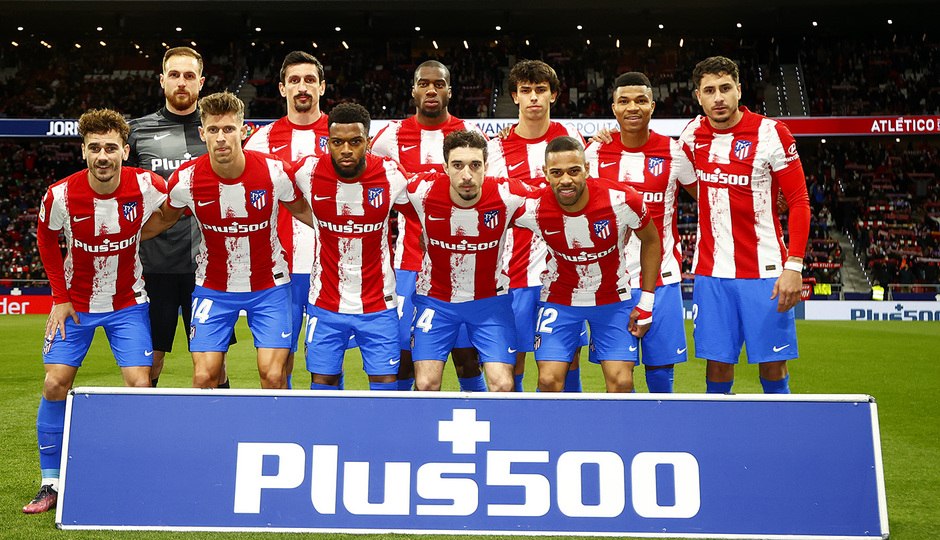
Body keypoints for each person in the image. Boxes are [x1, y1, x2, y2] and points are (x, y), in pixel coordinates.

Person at [25, 109, 166, 513]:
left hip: (127, 305)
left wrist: (147, 228)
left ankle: (136, 470)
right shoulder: (60, 194)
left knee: (140, 385)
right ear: (82, 150)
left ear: (125, 149)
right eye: (94, 148)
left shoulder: (146, 184)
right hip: (76, 307)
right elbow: (47, 240)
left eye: (110, 148)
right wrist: (59, 297)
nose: (102, 156)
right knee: (55, 384)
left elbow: (178, 207)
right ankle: (49, 483)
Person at [143, 92, 313, 389]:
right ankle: (212, 436)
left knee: (273, 375)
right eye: (213, 130)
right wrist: (118, 236)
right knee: (204, 376)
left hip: (269, 286)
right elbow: (163, 219)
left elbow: (304, 211)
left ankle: (276, 433)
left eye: (229, 129)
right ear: (202, 133)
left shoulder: (275, 173)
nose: (221, 138)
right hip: (214, 288)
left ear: (243, 131)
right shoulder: (186, 180)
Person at [679, 56, 810, 394]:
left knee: (772, 362)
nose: (718, 97)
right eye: (710, 90)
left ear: (739, 89)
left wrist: (794, 266)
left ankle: (781, 437)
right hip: (711, 272)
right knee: (718, 363)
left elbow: (799, 201)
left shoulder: (771, 132)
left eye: (725, 88)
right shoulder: (692, 134)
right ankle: (718, 439)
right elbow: (683, 178)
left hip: (765, 270)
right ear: (698, 96)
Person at [370, 60, 487, 392]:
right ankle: (402, 432)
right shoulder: (390, 137)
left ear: (450, 90)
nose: (431, 89)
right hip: (408, 265)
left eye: (439, 84)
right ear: (414, 91)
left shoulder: (470, 135)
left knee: (466, 358)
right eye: (424, 84)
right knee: (404, 357)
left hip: (462, 266)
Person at [515, 136, 662, 392]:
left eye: (574, 171)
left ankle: (614, 432)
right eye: (556, 173)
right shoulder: (532, 207)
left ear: (587, 169)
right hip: (560, 299)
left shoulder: (622, 200)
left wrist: (647, 302)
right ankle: (556, 432)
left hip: (612, 299)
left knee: (623, 382)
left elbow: (651, 241)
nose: (566, 180)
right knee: (548, 381)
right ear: (545, 174)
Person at [585, 72, 697, 393]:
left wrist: (770, 198)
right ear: (614, 108)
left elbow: (712, 197)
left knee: (661, 378)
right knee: (618, 382)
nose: (632, 107)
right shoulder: (594, 154)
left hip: (662, 280)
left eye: (640, 100)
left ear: (652, 105)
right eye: (624, 101)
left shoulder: (674, 153)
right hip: (611, 285)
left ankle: (661, 439)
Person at [127, 46, 231, 389]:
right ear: (162, 81)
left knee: (213, 367)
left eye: (189, 76)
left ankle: (220, 438)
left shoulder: (218, 132)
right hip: (153, 268)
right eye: (174, 75)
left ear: (201, 82)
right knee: (150, 364)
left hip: (208, 270)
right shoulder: (138, 132)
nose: (181, 82)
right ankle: (145, 438)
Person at [292, 102, 410, 391]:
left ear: (367, 142)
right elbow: (282, 196)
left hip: (379, 304)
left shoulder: (392, 175)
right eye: (337, 142)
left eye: (355, 142)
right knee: (323, 383)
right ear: (327, 142)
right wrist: (318, 222)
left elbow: (419, 211)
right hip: (325, 303)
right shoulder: (307, 172)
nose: (346, 150)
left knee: (384, 385)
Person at [487, 59, 587, 393]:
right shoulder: (495, 148)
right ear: (514, 96)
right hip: (511, 272)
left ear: (554, 95)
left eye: (540, 90)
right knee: (512, 360)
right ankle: (511, 432)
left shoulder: (572, 140)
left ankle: (570, 428)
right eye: (526, 90)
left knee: (564, 360)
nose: (533, 98)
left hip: (563, 273)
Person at [405, 130, 531, 392]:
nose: (466, 175)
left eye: (475, 165)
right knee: (426, 383)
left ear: (486, 166)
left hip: (490, 301)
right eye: (457, 165)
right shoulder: (420, 192)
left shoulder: (509, 195)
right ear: (444, 167)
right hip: (436, 300)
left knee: (503, 384)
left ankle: (499, 433)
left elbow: (556, 203)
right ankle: (424, 433)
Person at [244, 51, 329, 389]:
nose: (302, 87)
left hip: (331, 268)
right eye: (294, 81)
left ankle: (324, 429)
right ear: (282, 89)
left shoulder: (343, 136)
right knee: (277, 368)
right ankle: (283, 427)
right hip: (280, 270)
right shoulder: (261, 140)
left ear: (321, 86)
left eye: (309, 80)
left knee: (326, 362)